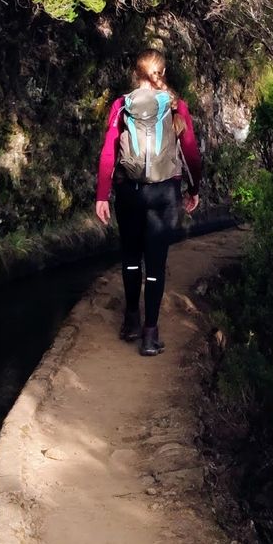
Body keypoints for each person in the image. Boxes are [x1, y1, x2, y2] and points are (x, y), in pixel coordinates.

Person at [95, 48, 202, 355]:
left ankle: (130, 320)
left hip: (129, 192)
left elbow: (108, 154)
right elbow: (191, 152)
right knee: (155, 262)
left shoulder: (121, 105)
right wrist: (194, 188)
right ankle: (150, 335)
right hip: (165, 193)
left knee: (130, 256)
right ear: (162, 74)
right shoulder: (175, 105)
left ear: (135, 74)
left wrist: (102, 195)